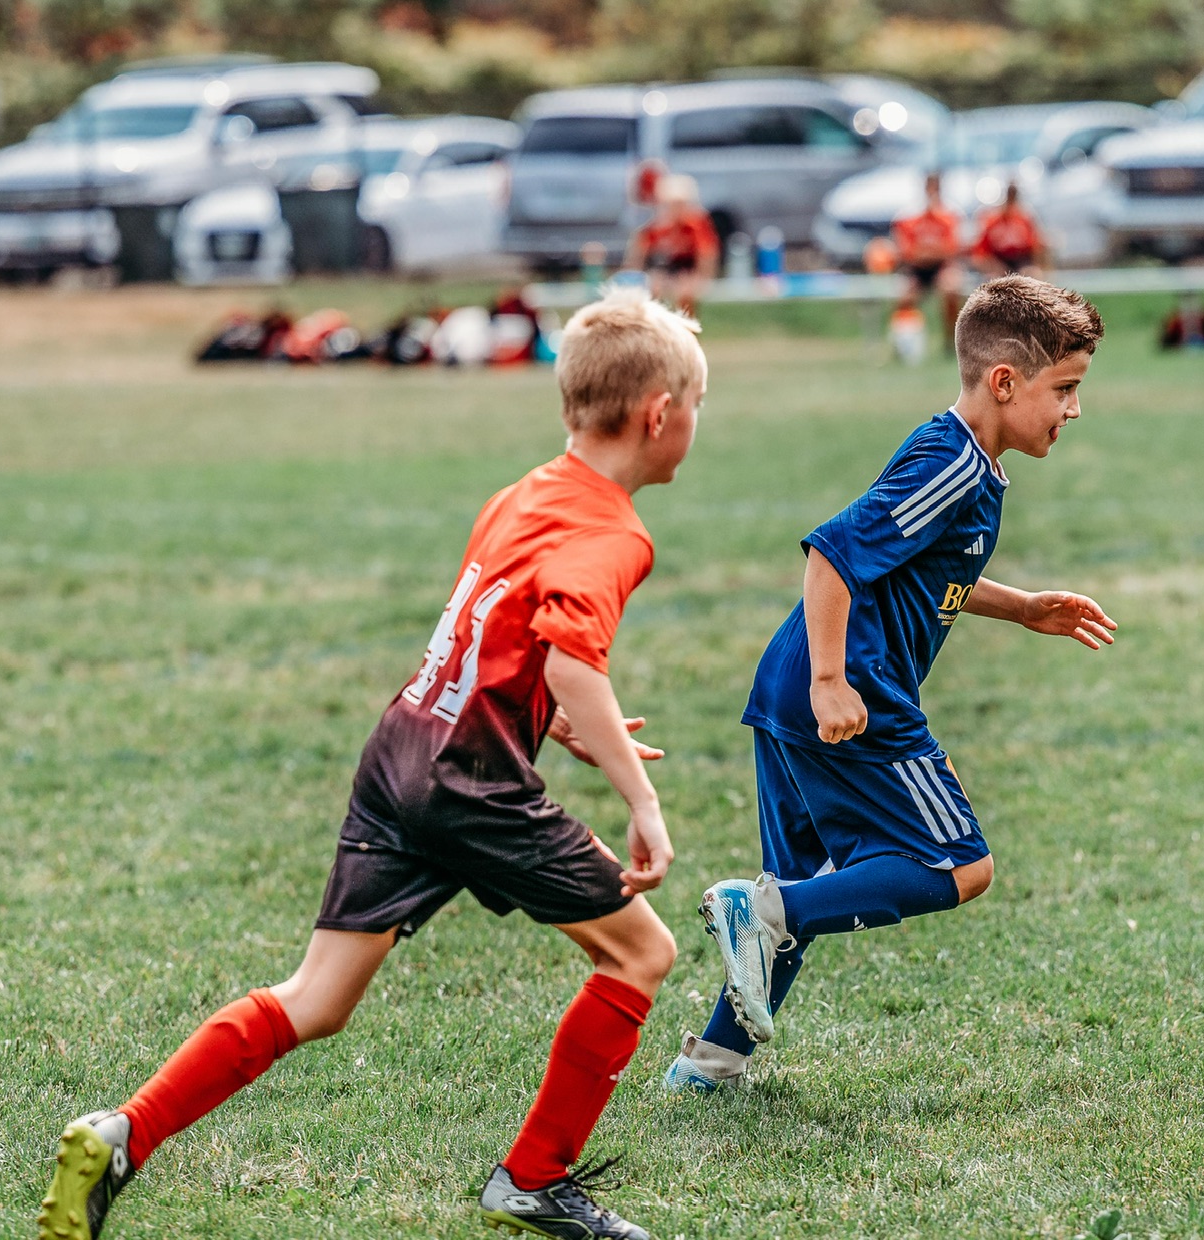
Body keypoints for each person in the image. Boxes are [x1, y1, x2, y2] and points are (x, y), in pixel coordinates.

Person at [37, 294, 707, 1240]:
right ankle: (532, 1180)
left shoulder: (523, 492)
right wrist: (642, 801)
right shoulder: (615, 533)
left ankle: (123, 1133)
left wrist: (554, 716)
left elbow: (501, 636)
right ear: (658, 413)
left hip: (403, 752)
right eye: (697, 404)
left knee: (316, 998)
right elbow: (568, 659)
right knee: (641, 953)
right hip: (471, 780)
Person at [665, 276, 1116, 1089]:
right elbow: (833, 554)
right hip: (849, 689)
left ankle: (713, 1063)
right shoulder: (952, 465)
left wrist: (1021, 608)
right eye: (1066, 388)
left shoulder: (966, 462)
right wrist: (832, 681)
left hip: (793, 684)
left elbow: (917, 567)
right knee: (959, 866)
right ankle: (758, 914)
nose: (1075, 409)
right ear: (1004, 382)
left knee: (804, 883)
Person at [624, 173, 720, 316]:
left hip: (687, 269)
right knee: (654, 287)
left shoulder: (695, 225)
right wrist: (633, 276)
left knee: (686, 291)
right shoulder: (658, 226)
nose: (675, 209)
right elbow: (638, 255)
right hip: (665, 269)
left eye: (679, 204)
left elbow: (707, 255)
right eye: (670, 204)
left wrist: (703, 278)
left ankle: (687, 323)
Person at [891, 171, 965, 352]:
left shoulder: (950, 213)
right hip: (917, 269)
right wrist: (929, 252)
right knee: (904, 296)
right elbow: (905, 251)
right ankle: (904, 346)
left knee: (951, 288)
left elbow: (953, 248)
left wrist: (926, 252)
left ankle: (951, 340)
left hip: (941, 267)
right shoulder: (910, 214)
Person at [970, 182, 1050, 277]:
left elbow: (1037, 246)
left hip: (1021, 260)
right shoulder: (992, 221)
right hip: (999, 261)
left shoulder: (1024, 218)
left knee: (1032, 274)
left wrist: (1039, 265)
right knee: (994, 277)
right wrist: (994, 266)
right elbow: (979, 254)